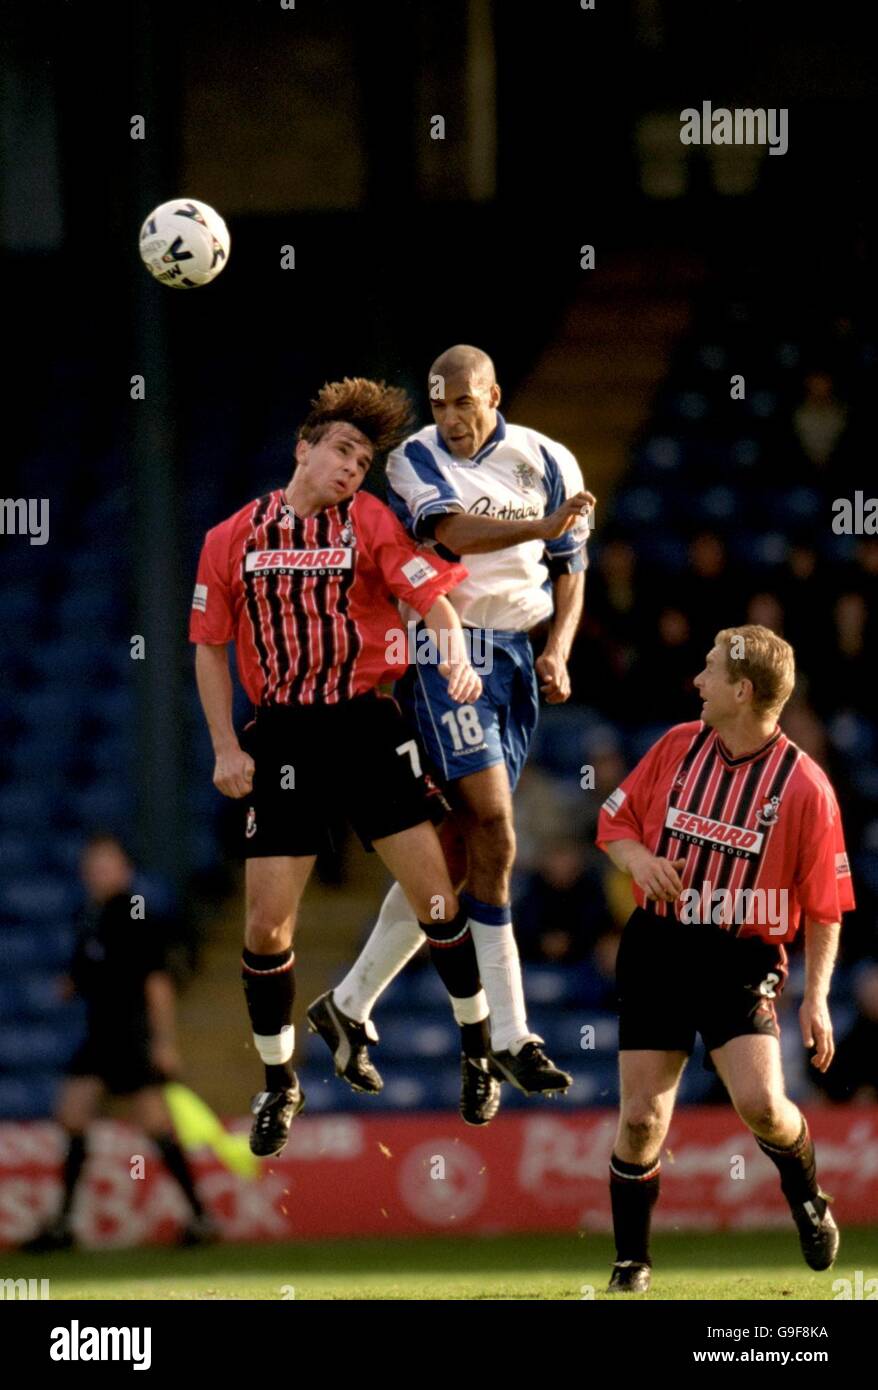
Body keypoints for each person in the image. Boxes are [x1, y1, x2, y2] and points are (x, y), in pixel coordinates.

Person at [190, 377, 488, 1157]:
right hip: (283, 735)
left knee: (434, 894)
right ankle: (280, 1084)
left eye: (365, 457)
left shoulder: (370, 522)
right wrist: (226, 744)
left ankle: (478, 1050)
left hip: (364, 724)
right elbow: (209, 647)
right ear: (304, 449)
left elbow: (432, 600)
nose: (355, 467)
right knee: (264, 925)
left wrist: (454, 655)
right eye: (343, 451)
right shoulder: (232, 537)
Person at [307, 344, 595, 1114]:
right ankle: (509, 1034)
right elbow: (457, 535)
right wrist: (540, 522)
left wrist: (560, 649)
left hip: (518, 656)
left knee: (461, 850)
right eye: (440, 405)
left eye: (465, 402)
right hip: (447, 645)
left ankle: (349, 1002)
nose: (453, 419)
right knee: (496, 826)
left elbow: (570, 565)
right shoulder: (413, 461)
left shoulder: (549, 457)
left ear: (493, 392)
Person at [596, 624, 855, 1292]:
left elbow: (825, 906)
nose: (697, 681)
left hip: (739, 956)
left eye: (710, 671)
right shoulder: (679, 746)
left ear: (742, 691)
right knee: (642, 1118)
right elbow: (615, 821)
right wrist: (641, 861)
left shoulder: (805, 788)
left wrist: (818, 999)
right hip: (660, 945)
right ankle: (632, 1261)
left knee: (764, 1105)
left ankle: (807, 1200)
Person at [21, 834, 214, 1252]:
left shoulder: (134, 909)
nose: (95, 873)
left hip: (130, 1035)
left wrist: (164, 1041)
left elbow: (155, 978)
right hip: (99, 1034)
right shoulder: (91, 914)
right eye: (90, 866)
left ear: (125, 868)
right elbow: (91, 969)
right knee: (72, 1115)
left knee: (154, 1123)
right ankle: (64, 1224)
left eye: (105, 864)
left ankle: (201, 1216)